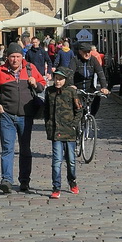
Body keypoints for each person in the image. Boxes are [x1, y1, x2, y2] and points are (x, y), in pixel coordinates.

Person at [0, 42, 47, 194]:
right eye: (12, 57)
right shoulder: (0, 71)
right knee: (7, 149)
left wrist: (35, 83)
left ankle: (24, 180)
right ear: (7, 57)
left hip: (26, 116)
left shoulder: (30, 69)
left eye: (18, 56)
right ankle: (7, 180)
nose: (15, 60)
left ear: (22, 57)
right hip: (7, 115)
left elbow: (42, 85)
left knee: (25, 149)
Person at [43, 67, 82, 199]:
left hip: (69, 132)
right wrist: (48, 125)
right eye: (56, 78)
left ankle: (72, 181)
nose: (58, 81)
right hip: (56, 132)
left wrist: (74, 125)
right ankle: (56, 187)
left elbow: (79, 110)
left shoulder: (71, 92)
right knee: (56, 161)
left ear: (65, 80)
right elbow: (46, 110)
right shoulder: (49, 92)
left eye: (60, 79)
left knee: (71, 160)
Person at [69, 39, 110, 114]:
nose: (87, 54)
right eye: (85, 52)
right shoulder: (75, 60)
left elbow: (100, 73)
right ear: (80, 51)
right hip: (78, 87)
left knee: (97, 97)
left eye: (89, 52)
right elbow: (70, 73)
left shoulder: (93, 60)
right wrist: (71, 85)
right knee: (76, 106)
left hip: (89, 87)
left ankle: (92, 117)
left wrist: (104, 87)